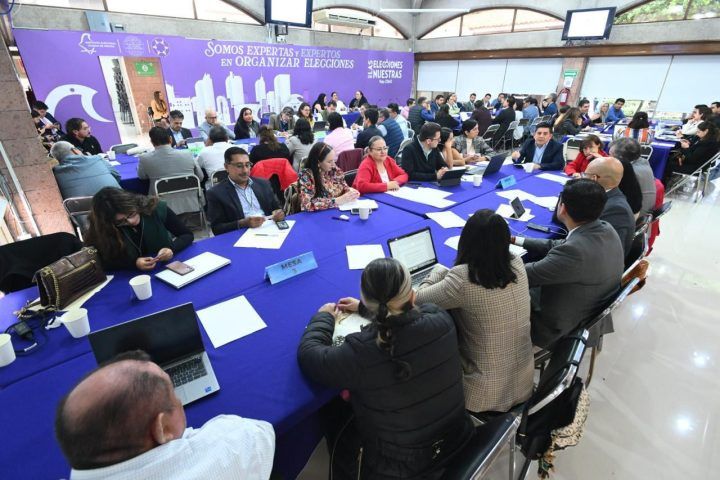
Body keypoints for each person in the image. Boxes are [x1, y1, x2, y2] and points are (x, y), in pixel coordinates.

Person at [297, 258, 474, 479]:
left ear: (366, 298)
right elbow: (405, 318)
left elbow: (310, 356)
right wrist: (366, 310)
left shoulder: (362, 352)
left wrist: (323, 317)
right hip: (457, 441)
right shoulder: (441, 319)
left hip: (400, 467)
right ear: (412, 295)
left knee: (334, 410)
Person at [55, 350, 275, 479]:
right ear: (162, 429)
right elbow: (260, 432)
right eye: (174, 394)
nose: (179, 400)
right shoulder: (231, 449)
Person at [416, 209, 533, 413]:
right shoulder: (517, 263)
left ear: (466, 241)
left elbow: (418, 299)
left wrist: (437, 271)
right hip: (524, 383)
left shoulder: (463, 278)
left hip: (483, 395)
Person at [512, 179, 624, 348]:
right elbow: (557, 244)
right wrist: (515, 240)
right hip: (587, 309)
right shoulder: (606, 228)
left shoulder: (574, 252)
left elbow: (522, 275)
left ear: (562, 208)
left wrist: (494, 254)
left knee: (498, 291)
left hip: (559, 328)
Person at [84, 187, 193, 270]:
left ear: (136, 205)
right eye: (120, 221)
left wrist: (171, 248)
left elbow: (187, 235)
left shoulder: (155, 208)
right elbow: (97, 259)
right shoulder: (102, 226)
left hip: (164, 267)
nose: (131, 221)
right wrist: (134, 263)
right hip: (127, 276)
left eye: (131, 214)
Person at [206, 147, 285, 235]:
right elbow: (217, 229)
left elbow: (276, 208)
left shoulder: (263, 184)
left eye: (247, 165)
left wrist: (279, 213)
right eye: (239, 166)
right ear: (226, 167)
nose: (245, 170)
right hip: (241, 234)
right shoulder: (216, 193)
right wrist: (242, 223)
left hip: (270, 230)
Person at [137, 127, 203, 215]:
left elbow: (142, 176)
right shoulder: (188, 154)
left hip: (161, 203)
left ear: (152, 142)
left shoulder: (144, 158)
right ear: (170, 139)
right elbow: (200, 177)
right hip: (191, 200)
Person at [584, 157, 636, 258]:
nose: (582, 178)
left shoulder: (616, 210)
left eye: (585, 174)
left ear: (594, 178)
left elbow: (607, 253)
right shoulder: (610, 196)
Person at [297, 142, 359, 211]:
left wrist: (350, 192)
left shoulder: (334, 170)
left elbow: (344, 186)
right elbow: (307, 205)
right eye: (329, 162)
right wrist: (336, 201)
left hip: (336, 210)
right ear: (318, 162)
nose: (333, 164)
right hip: (317, 215)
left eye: (333, 160)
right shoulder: (306, 176)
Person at [50, 141, 121, 199]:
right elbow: (117, 176)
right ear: (75, 150)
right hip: (118, 203)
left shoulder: (55, 173)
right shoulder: (97, 158)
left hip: (82, 211)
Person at [610, 137, 656, 215]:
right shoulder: (644, 162)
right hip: (646, 210)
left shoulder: (629, 172)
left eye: (610, 155)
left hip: (635, 215)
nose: (608, 158)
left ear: (621, 158)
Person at [196, 126, 233, 190]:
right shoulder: (235, 148)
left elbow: (197, 166)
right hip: (235, 184)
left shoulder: (204, 152)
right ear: (227, 138)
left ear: (209, 139)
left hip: (215, 188)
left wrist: (206, 146)